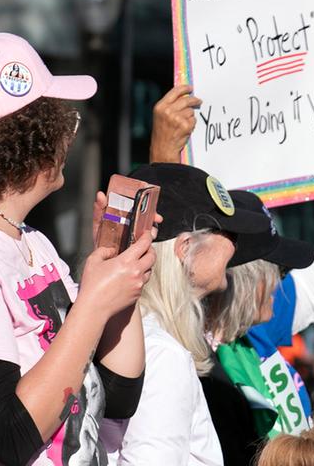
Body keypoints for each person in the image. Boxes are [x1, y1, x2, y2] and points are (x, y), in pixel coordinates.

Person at [0, 33, 154, 465]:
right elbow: (10, 434)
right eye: (64, 122)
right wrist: (93, 304)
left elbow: (115, 395)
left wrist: (119, 270)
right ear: (29, 139)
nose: (70, 137)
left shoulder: (27, 240)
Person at [100, 163, 270, 465]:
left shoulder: (107, 325)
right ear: (186, 247)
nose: (236, 244)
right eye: (227, 232)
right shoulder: (162, 354)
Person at [202, 190, 314, 465]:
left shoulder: (254, 324)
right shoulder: (202, 367)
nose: (281, 283)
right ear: (247, 279)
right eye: (279, 270)